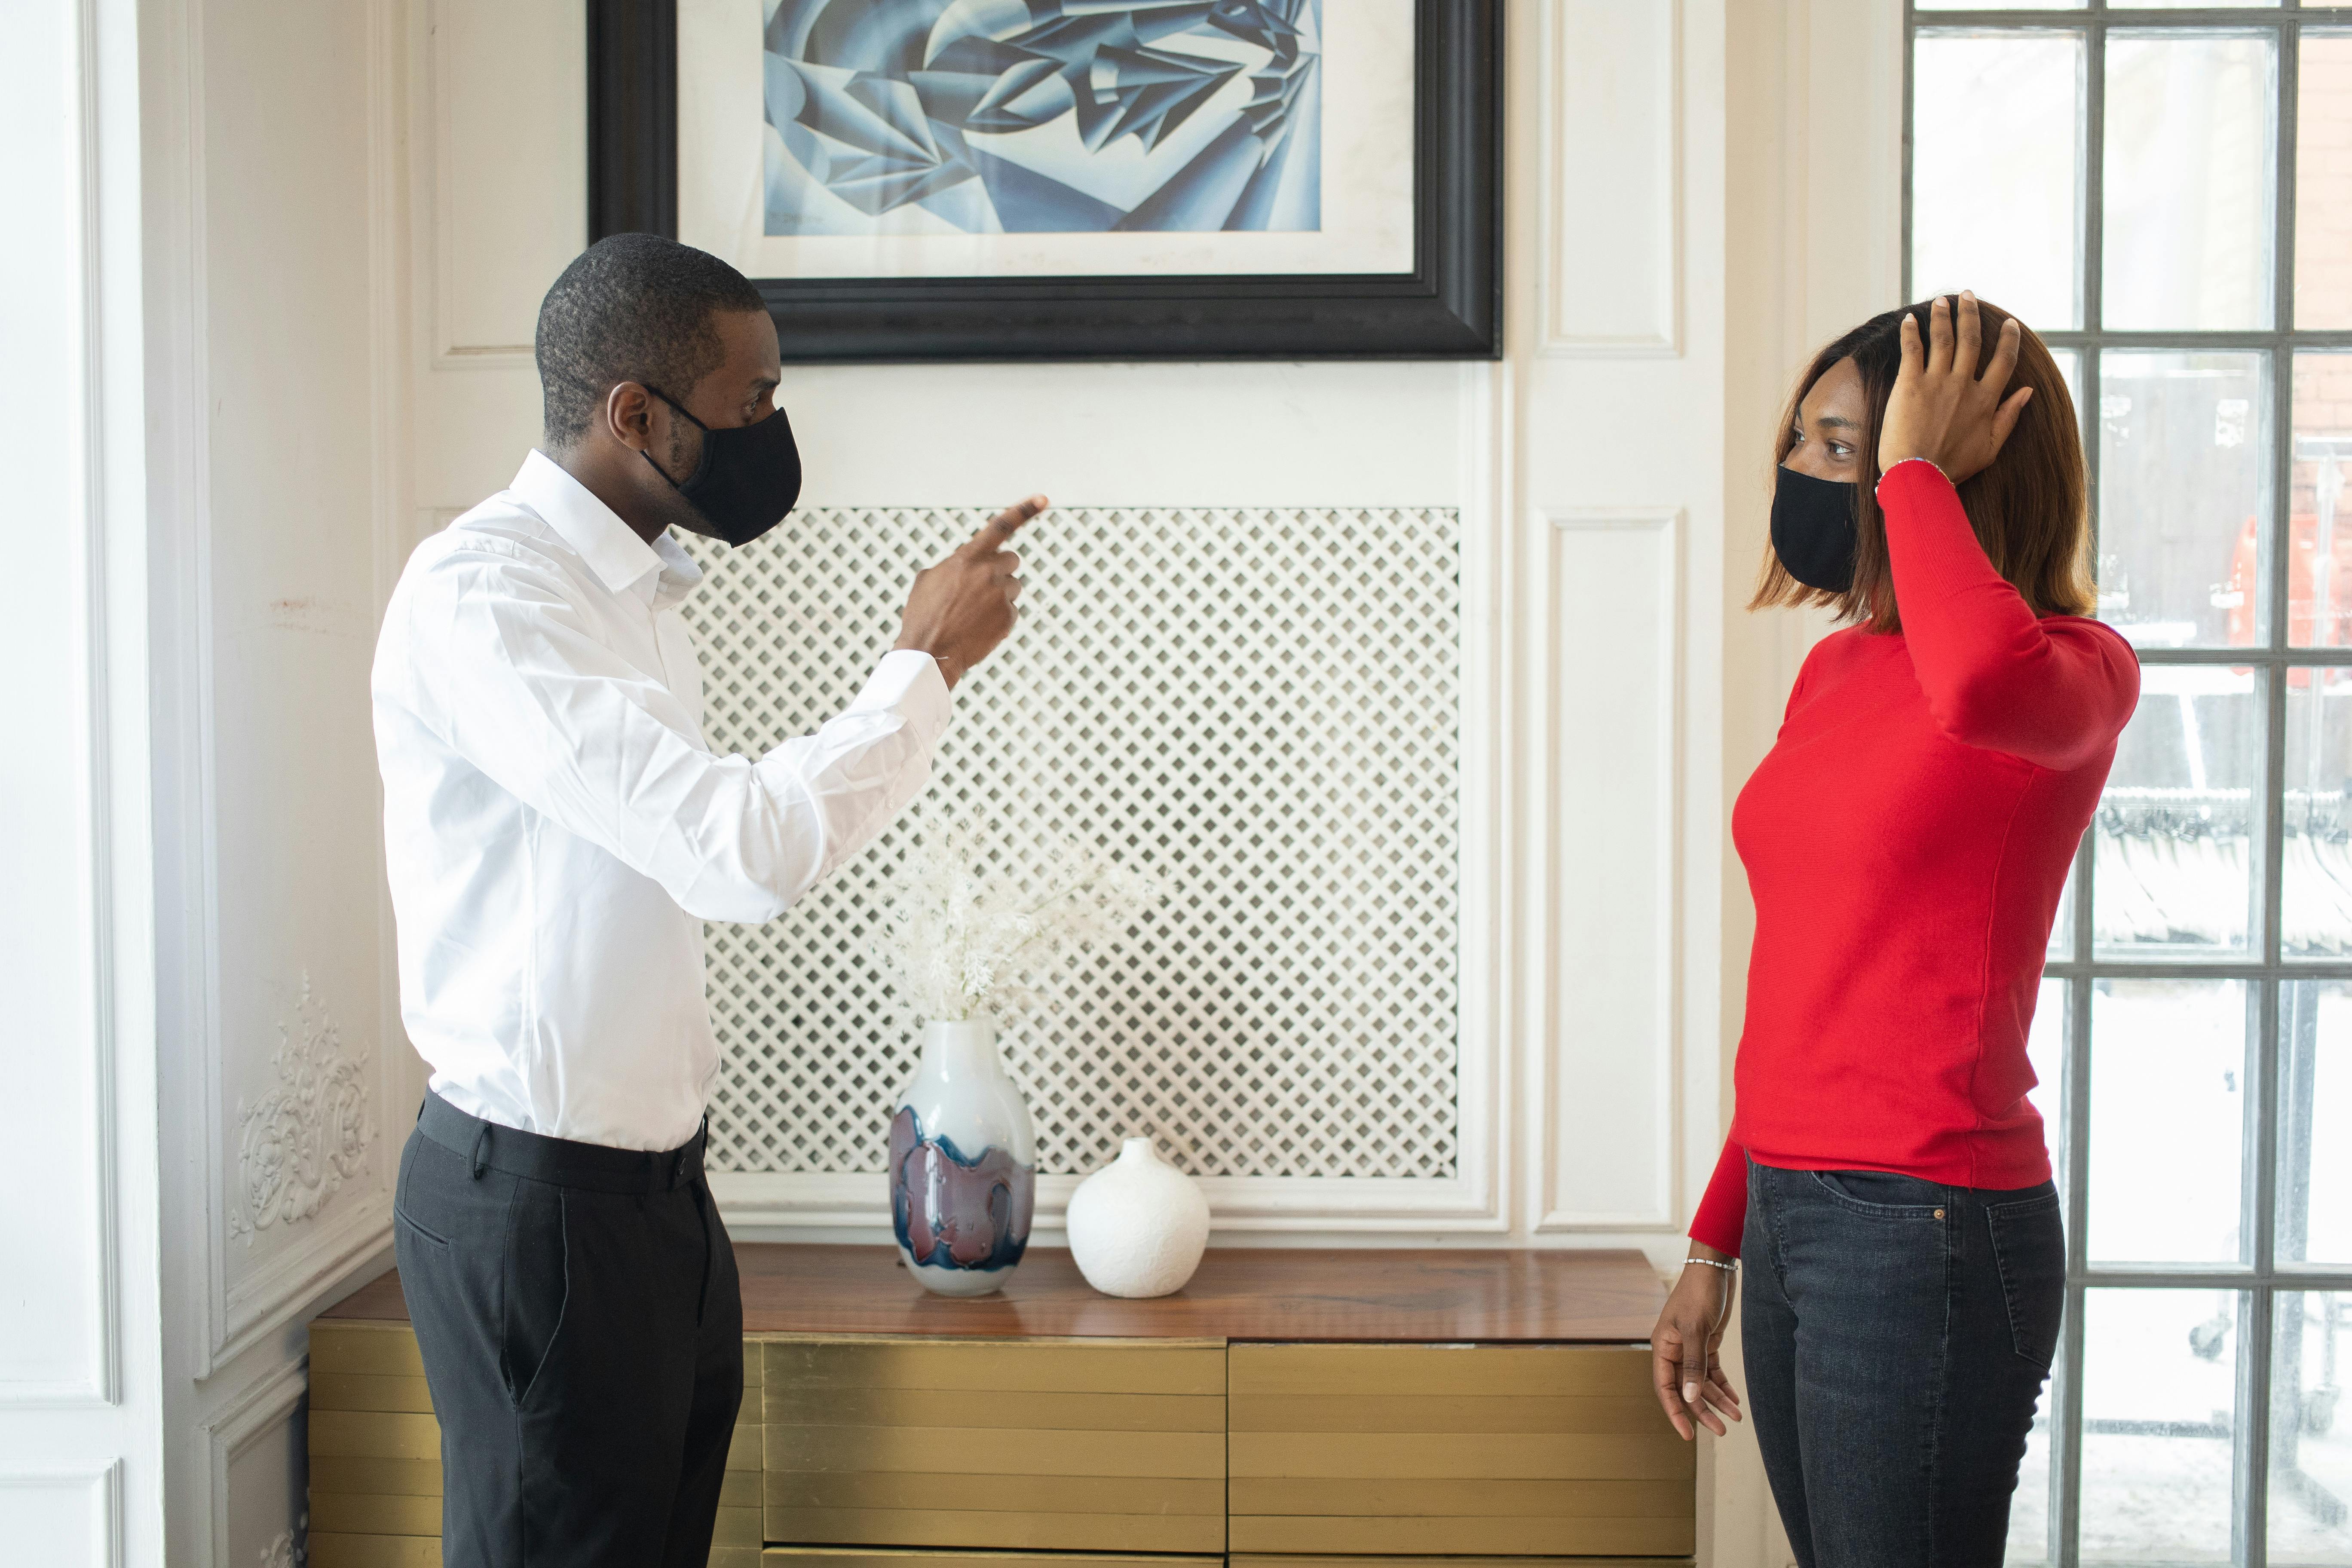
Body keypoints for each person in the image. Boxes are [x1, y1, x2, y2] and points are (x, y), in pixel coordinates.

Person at [371, 232, 1042, 1568]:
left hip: (654, 1205)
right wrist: (919, 666)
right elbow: (737, 851)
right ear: (636, 414)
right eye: (754, 402)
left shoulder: (639, 594)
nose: (774, 430)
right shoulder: (489, 596)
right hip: (539, 1213)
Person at [1648, 293, 2140, 1564]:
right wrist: (1717, 1236)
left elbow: (1976, 680)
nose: (1798, 472)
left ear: (1960, 464)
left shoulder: (2075, 671)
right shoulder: (1839, 669)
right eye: (1802, 439)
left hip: (1926, 1228)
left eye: (1843, 448)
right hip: (1794, 1213)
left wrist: (1914, 469)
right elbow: (1802, 989)